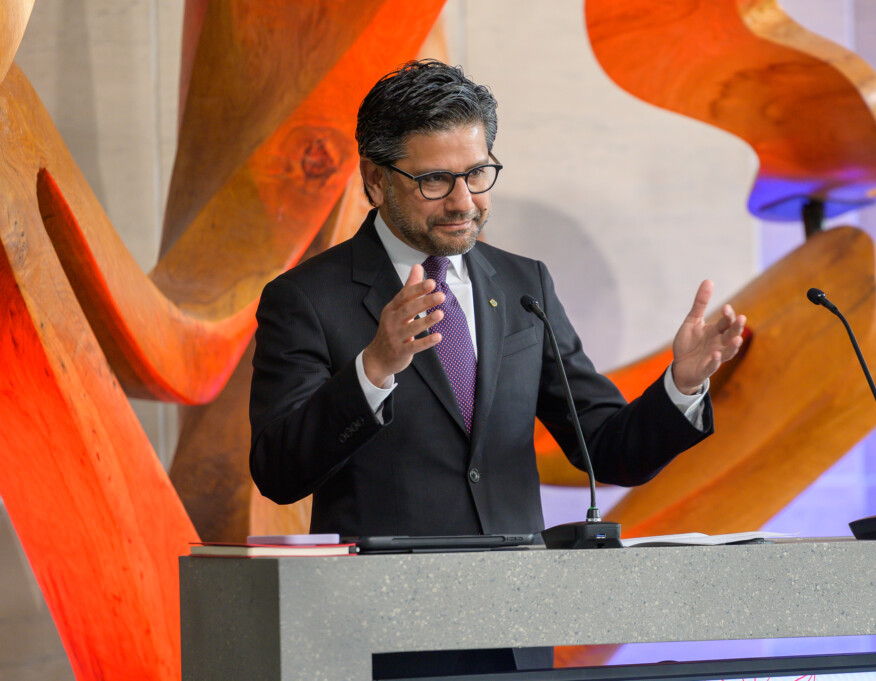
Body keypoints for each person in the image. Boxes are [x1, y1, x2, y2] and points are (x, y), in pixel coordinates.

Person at [249, 59, 745, 677]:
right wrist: (373, 369)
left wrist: (683, 386)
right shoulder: (306, 298)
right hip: (383, 635)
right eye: (434, 180)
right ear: (375, 180)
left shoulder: (521, 283)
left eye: (478, 174)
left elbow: (607, 449)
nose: (464, 202)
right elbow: (277, 470)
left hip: (516, 628)